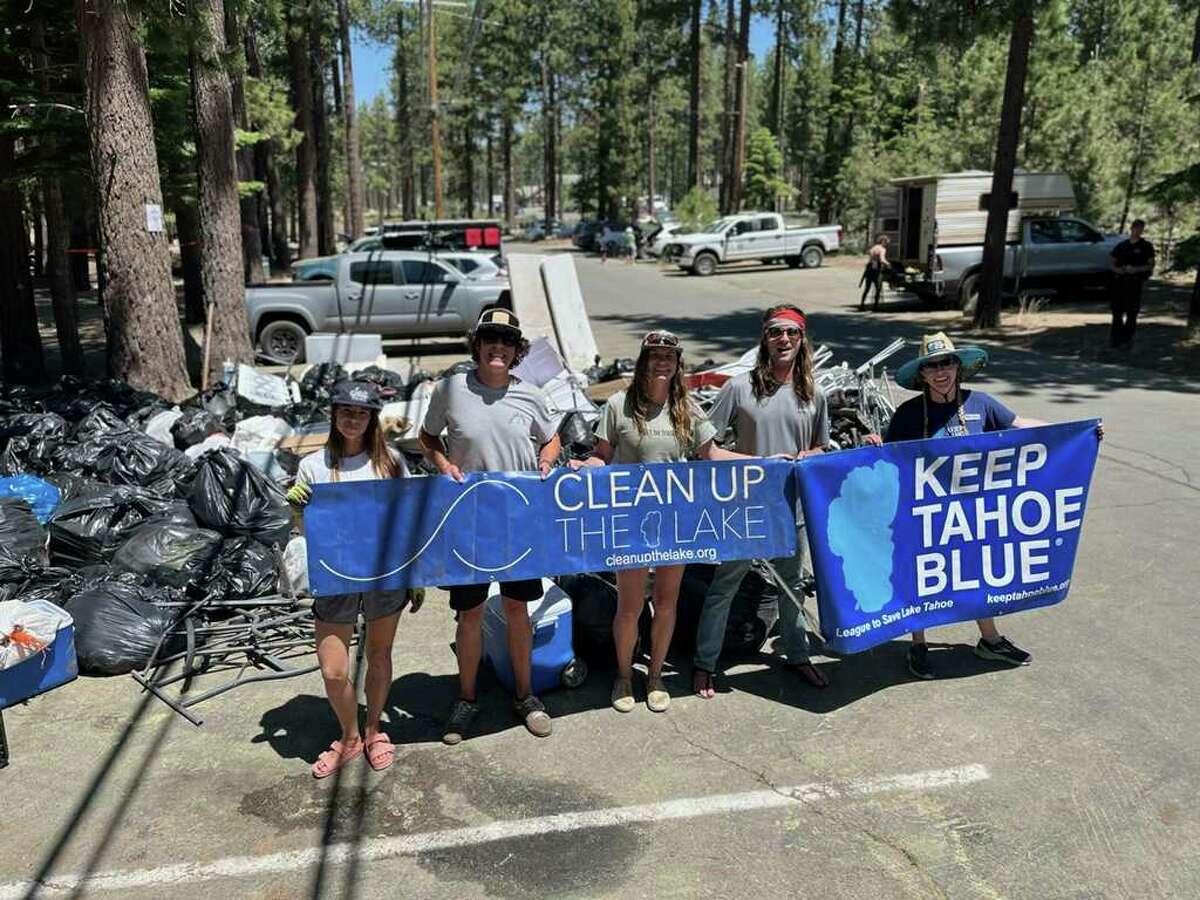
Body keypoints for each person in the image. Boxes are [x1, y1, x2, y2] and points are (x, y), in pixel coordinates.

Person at [886, 332, 1102, 679]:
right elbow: (886, 458)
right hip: (924, 513)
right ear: (922, 374)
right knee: (923, 575)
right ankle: (919, 644)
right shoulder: (908, 414)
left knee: (975, 568)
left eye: (947, 363)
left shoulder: (981, 403)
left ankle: (990, 640)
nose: (941, 371)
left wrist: (1076, 433)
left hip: (972, 511)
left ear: (958, 368)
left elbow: (1021, 428)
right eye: (932, 366)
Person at [571, 330, 748, 713]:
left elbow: (712, 454)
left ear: (677, 362)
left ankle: (653, 677)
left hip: (675, 522)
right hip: (631, 522)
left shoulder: (688, 409)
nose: (662, 361)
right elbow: (603, 456)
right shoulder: (619, 404)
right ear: (644, 360)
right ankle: (622, 676)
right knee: (629, 606)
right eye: (655, 355)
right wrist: (585, 467)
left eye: (669, 356)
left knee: (667, 604)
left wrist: (765, 462)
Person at [420, 308, 563, 744]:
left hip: (518, 522)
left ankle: (525, 695)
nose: (497, 346)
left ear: (516, 351)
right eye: (489, 338)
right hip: (469, 522)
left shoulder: (532, 396)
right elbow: (428, 438)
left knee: (519, 611)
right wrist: (442, 463)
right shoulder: (450, 389)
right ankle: (466, 699)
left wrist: (547, 458)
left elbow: (551, 436)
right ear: (477, 346)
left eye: (506, 340)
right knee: (471, 613)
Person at [692, 305, 839, 698]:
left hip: (791, 509)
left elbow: (820, 446)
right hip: (746, 509)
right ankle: (705, 665)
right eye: (776, 333)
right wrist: (758, 464)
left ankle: (797, 655)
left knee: (791, 585)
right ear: (765, 339)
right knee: (725, 585)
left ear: (802, 338)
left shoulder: (815, 392)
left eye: (791, 333)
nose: (784, 340)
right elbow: (706, 445)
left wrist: (811, 455)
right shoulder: (739, 388)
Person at [287, 380, 420, 778]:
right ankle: (348, 736)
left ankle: (374, 728)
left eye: (361, 413)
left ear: (372, 419)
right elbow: (307, 529)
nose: (352, 419)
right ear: (333, 415)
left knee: (379, 655)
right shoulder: (313, 465)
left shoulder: (392, 462)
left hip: (385, 574)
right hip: (335, 575)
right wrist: (296, 511)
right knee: (333, 670)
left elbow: (409, 519)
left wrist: (414, 572)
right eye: (345, 411)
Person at [1109, 219, 1155, 348]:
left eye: (1140, 228)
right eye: (1136, 228)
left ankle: (1127, 338)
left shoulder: (1146, 246)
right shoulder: (1122, 245)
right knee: (1117, 311)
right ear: (1132, 228)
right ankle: (1115, 339)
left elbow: (1150, 265)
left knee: (1132, 311)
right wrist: (1117, 269)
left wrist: (1136, 269)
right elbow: (1111, 261)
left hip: (1135, 282)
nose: (1137, 231)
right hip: (1119, 281)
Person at [860, 235, 889, 310]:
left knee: (867, 288)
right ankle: (875, 307)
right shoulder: (882, 249)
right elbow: (882, 259)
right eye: (886, 242)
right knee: (878, 289)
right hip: (876, 271)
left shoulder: (873, 248)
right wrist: (888, 264)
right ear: (883, 241)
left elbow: (871, 258)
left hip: (869, 269)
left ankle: (862, 305)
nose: (886, 245)